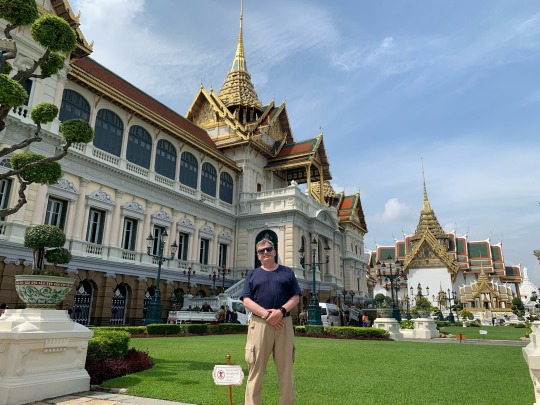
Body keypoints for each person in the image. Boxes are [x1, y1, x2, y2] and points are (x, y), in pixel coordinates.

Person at [241, 238, 301, 405]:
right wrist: (267, 315)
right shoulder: (252, 274)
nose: (266, 252)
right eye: (262, 251)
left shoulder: (287, 272)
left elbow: (296, 297)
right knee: (256, 369)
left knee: (286, 370)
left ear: (274, 251)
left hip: (283, 323)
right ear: (258, 255)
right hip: (260, 324)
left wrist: (281, 311)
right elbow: (246, 300)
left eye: (268, 249)